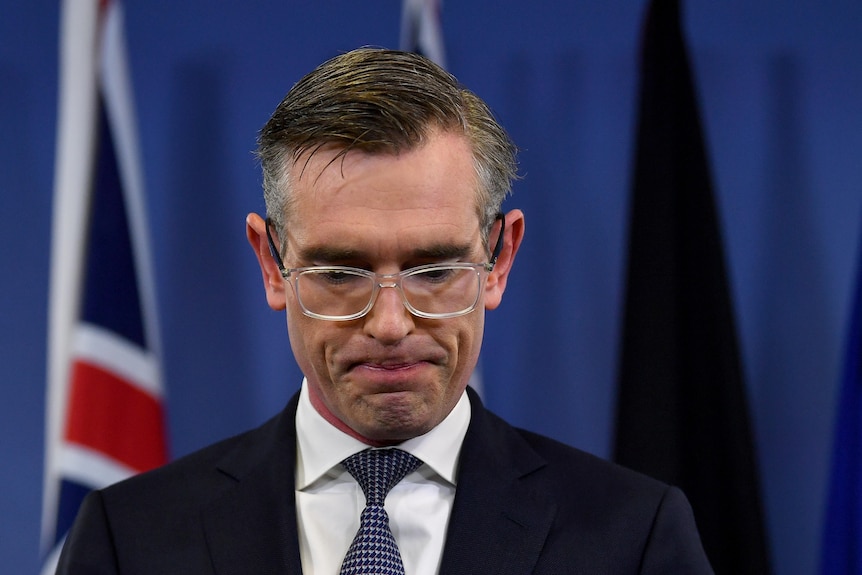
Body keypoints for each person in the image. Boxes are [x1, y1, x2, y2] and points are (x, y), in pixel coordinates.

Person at [57, 47, 713, 574]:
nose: (391, 324)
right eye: (341, 272)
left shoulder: (634, 537)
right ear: (271, 262)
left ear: (499, 258)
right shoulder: (129, 539)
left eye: (433, 271)